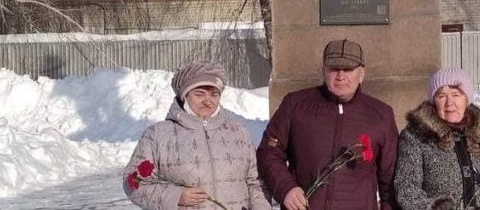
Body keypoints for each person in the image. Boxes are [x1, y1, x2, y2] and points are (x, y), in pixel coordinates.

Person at [256, 39, 398, 209]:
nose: (340, 76)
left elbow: (389, 179)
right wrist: (286, 188)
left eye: (347, 69)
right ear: (323, 71)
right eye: (334, 69)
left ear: (362, 74)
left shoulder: (381, 115)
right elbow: (269, 152)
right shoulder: (295, 105)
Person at [123, 60, 270, 210]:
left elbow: (256, 183)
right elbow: (134, 182)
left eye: (214, 94)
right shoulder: (157, 135)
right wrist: (175, 196)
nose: (208, 101)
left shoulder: (239, 133)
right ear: (185, 96)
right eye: (199, 94)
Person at [394, 67, 480, 210]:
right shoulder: (417, 136)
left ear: (466, 98)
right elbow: (406, 189)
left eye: (456, 94)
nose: (449, 103)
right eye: (441, 96)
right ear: (433, 100)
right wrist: (435, 207)